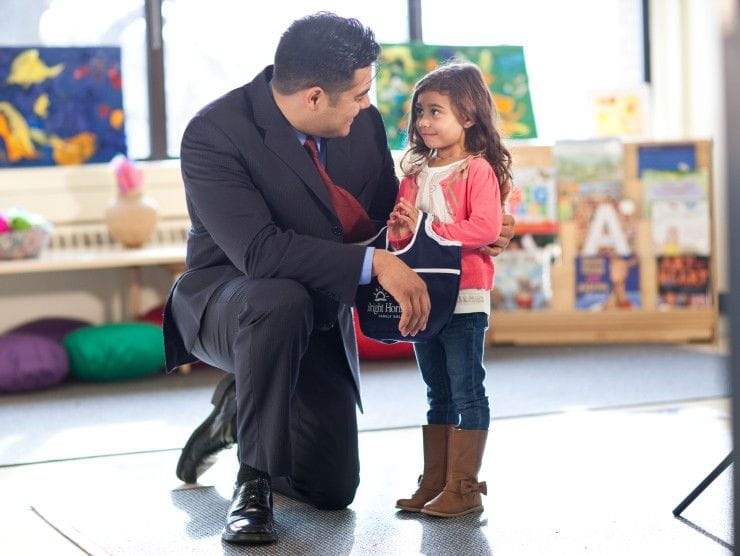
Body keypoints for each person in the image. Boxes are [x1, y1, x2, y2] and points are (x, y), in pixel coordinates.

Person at [165, 13, 516, 544]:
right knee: (277, 297)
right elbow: (259, 251)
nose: (367, 105)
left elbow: (383, 214)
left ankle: (241, 412)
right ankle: (252, 482)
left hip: (318, 300)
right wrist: (375, 264)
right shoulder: (214, 134)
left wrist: (466, 231)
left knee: (330, 488)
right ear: (313, 97)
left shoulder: (362, 125)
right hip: (231, 298)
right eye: (358, 94)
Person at [388, 62, 512, 517]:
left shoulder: (477, 170)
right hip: (423, 296)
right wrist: (402, 231)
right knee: (436, 391)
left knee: (467, 390)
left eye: (436, 111)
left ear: (469, 116)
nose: (423, 122)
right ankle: (436, 481)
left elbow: (484, 227)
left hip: (465, 296)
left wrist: (428, 226)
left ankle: (464, 488)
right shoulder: (414, 172)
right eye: (420, 111)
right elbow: (404, 239)